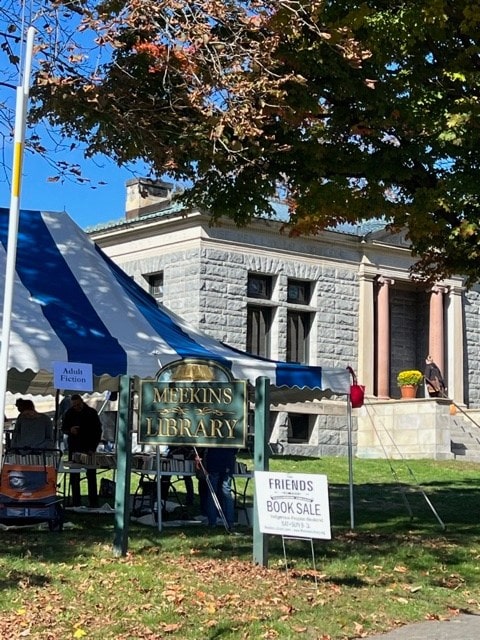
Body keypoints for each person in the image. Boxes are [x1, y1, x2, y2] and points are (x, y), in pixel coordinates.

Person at [62, 394, 102, 508]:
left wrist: (93, 448)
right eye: (74, 405)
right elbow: (63, 428)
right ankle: (76, 501)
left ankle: (93, 502)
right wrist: (70, 430)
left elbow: (98, 431)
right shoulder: (69, 413)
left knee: (91, 475)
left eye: (78, 404)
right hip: (74, 448)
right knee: (74, 476)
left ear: (82, 402)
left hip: (89, 447)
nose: (76, 407)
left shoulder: (91, 413)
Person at [202, 447, 237, 530]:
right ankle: (230, 522)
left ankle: (212, 522)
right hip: (228, 461)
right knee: (226, 492)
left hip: (214, 461)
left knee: (212, 493)